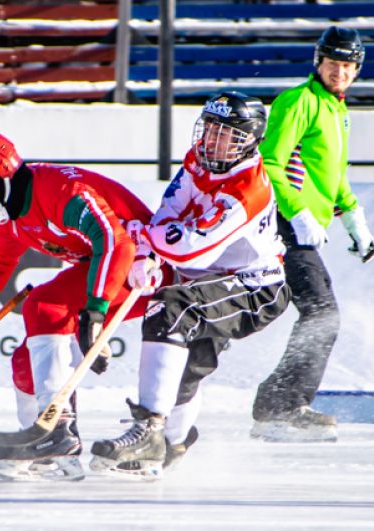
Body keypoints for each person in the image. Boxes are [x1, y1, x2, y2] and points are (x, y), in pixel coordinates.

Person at [89, 92, 291, 479]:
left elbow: (189, 250)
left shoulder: (245, 191)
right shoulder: (198, 161)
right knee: (189, 359)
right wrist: (148, 249)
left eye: (226, 134)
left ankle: (150, 429)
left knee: (171, 309)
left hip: (255, 286)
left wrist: (147, 236)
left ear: (249, 141)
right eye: (210, 129)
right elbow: (169, 213)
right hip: (211, 278)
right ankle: (169, 445)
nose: (212, 140)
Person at [0, 130, 168, 480]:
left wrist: (95, 310)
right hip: (109, 266)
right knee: (27, 360)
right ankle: (41, 444)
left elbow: (117, 243)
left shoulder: (61, 192)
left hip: (148, 265)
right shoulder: (8, 213)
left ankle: (53, 432)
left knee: (44, 304)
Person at [250, 26, 374, 443]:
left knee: (319, 313)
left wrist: (353, 217)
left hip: (305, 228)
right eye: (332, 63)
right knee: (323, 314)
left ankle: (277, 401)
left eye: (347, 65)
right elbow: (268, 163)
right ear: (317, 62)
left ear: (356, 70)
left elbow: (332, 175)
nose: (339, 72)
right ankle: (282, 406)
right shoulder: (299, 101)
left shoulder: (337, 110)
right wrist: (298, 212)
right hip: (284, 226)